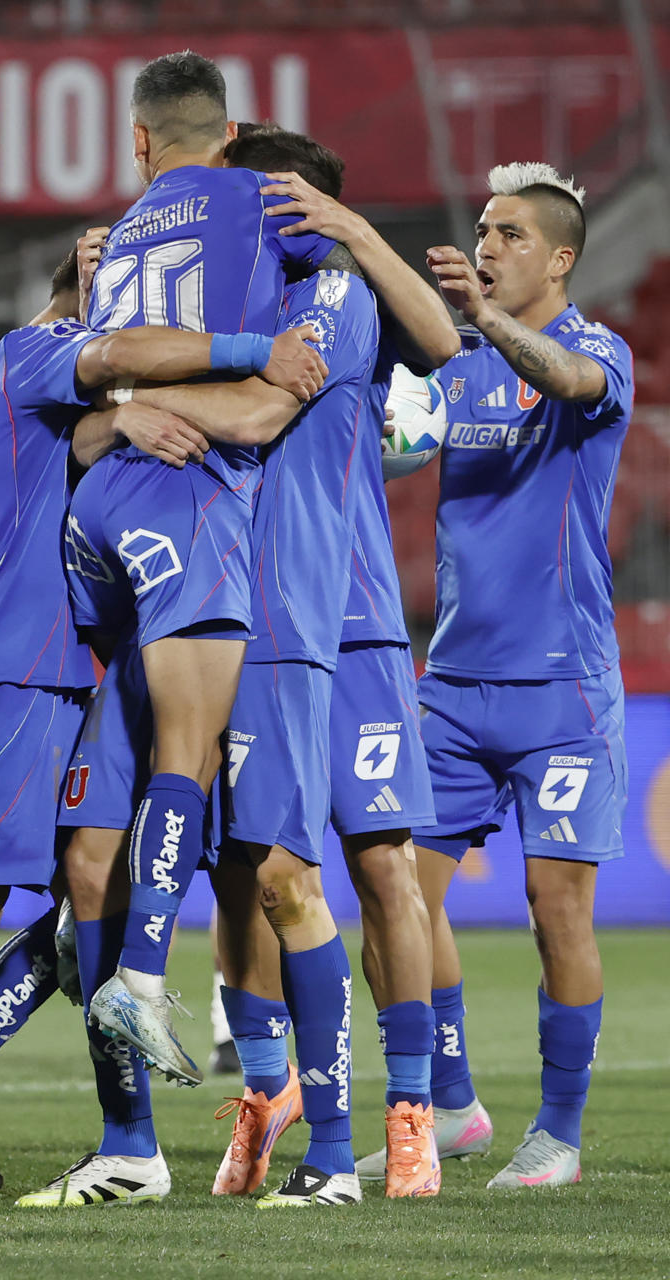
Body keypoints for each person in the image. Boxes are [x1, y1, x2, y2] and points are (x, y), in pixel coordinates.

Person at [0, 296, 326, 1210]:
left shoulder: (60, 420)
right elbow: (113, 365)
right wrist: (239, 360)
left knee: (80, 898)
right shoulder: (29, 357)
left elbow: (96, 426)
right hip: (11, 670)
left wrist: (125, 413)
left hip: (51, 677)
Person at [233, 143, 463, 1199]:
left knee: (382, 869)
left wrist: (357, 230)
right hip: (247, 620)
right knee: (259, 880)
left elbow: (446, 343)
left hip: (358, 616)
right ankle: (274, 1094)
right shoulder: (232, 293)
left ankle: (409, 1114)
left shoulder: (339, 287)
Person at [412, 163, 631, 1190]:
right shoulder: (451, 366)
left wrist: (479, 325)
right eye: (484, 232)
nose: (488, 247)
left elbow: (566, 382)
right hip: (451, 683)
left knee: (557, 908)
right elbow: (392, 439)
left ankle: (559, 1133)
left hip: (561, 690)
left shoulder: (598, 353)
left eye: (508, 235)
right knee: (398, 903)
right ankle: (452, 1108)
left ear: (559, 258)